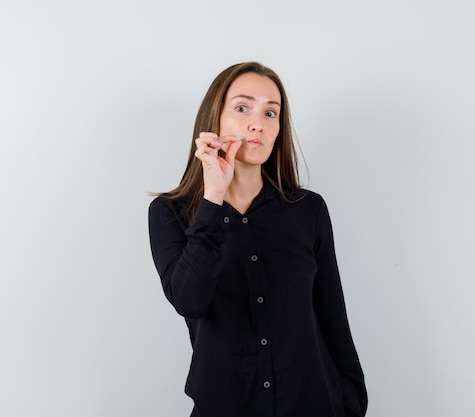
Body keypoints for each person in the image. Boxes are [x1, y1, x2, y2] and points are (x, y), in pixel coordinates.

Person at [148, 62, 367, 417]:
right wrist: (213, 198)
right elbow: (189, 299)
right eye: (242, 107)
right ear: (213, 119)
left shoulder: (308, 210)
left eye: (271, 113)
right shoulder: (170, 212)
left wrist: (351, 403)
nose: (257, 123)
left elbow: (333, 321)